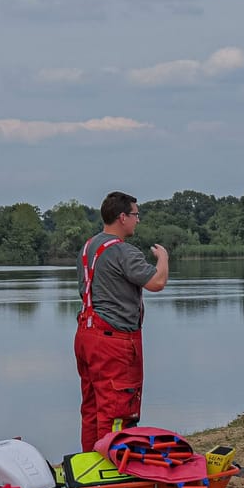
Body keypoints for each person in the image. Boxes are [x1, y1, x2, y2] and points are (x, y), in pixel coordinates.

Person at [73, 192, 169, 452]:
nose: (138, 220)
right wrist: (163, 259)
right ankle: (114, 471)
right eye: (136, 215)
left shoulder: (89, 246)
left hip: (86, 335)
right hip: (114, 342)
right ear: (122, 217)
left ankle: (90, 468)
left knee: (92, 407)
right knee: (117, 410)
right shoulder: (123, 251)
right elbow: (156, 282)